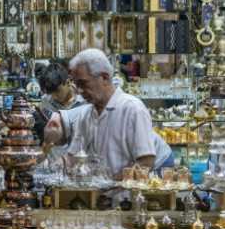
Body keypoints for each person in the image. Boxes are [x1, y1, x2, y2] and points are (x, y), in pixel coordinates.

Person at [44, 48, 173, 177]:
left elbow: (146, 161)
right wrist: (53, 168)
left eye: (83, 83)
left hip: (152, 173)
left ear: (104, 77)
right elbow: (73, 156)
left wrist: (111, 183)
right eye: (76, 85)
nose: (79, 91)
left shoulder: (132, 109)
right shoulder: (85, 115)